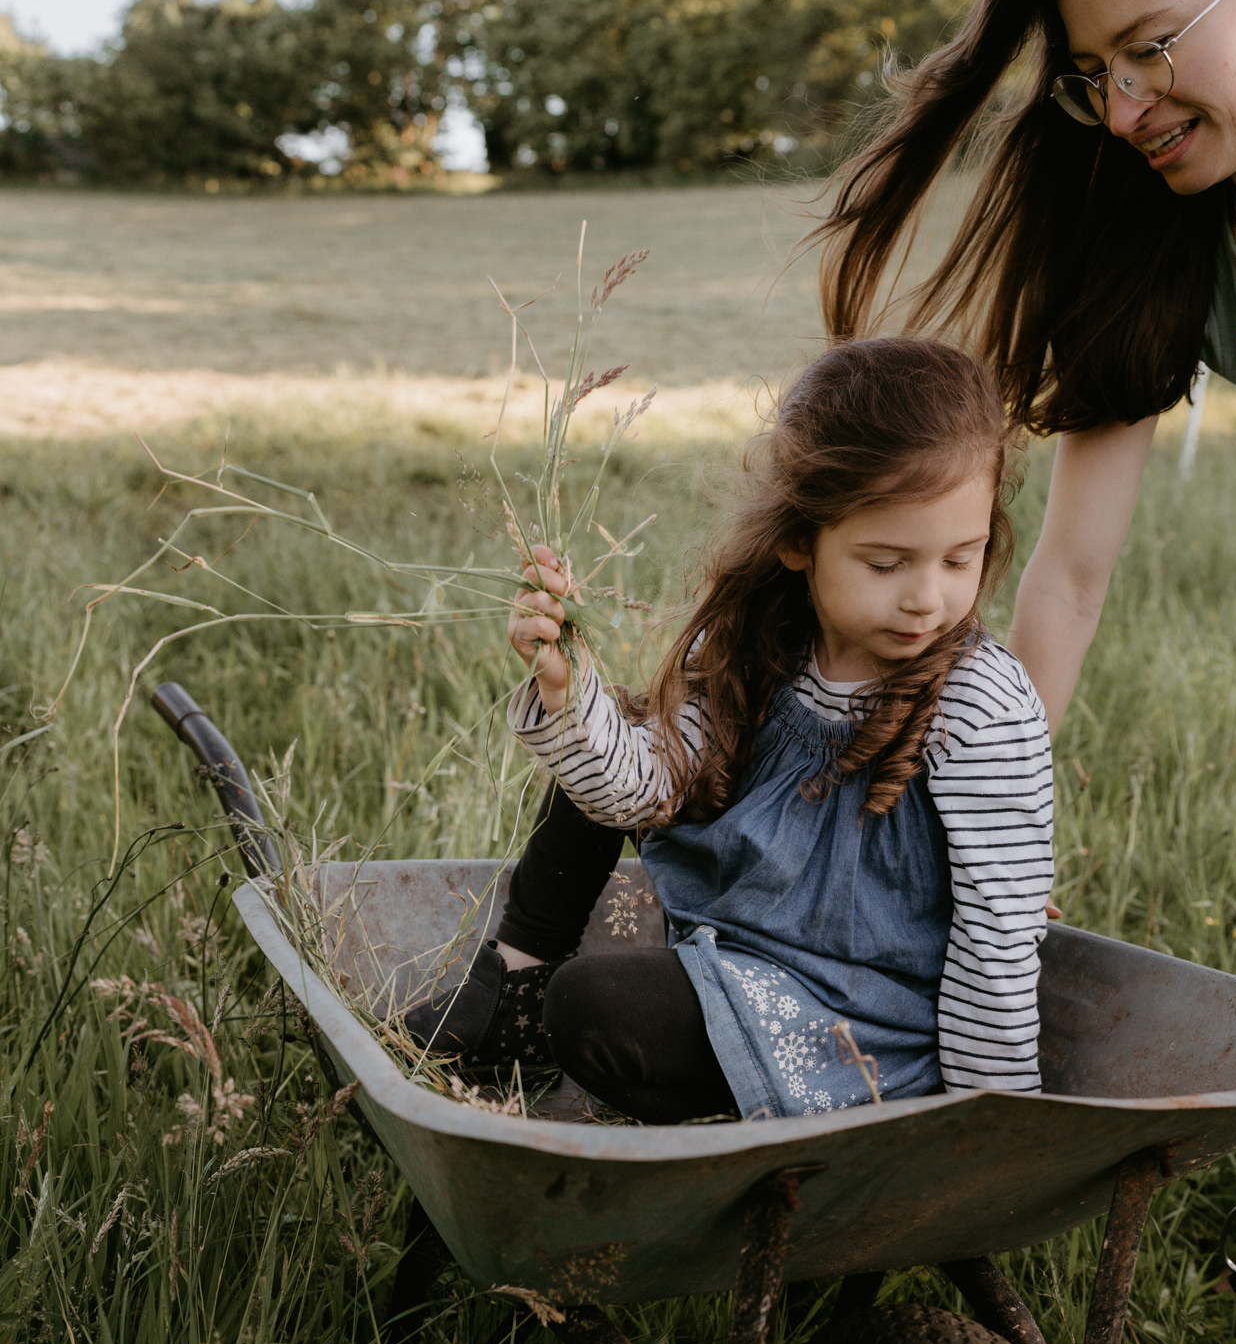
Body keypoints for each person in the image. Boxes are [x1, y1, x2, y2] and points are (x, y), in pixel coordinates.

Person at [407, 338, 1053, 1125]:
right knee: (609, 726)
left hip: (859, 1032)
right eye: (885, 564)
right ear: (796, 542)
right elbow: (635, 791)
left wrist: (994, 1123)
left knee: (589, 1005)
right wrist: (565, 690)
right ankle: (511, 982)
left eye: (961, 558)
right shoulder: (754, 649)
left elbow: (998, 938)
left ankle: (741, 1116)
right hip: (725, 962)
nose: (927, 597)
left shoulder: (977, 703)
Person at [810, 0, 1236, 967]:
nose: (1122, 110)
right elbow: (1068, 578)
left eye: (1149, 48)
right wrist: (974, 821)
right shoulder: (1162, 237)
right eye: (1094, 76)